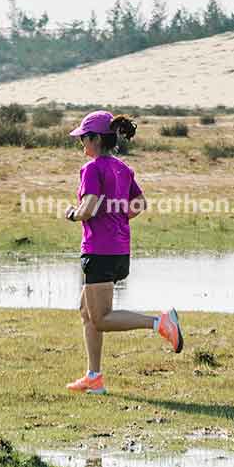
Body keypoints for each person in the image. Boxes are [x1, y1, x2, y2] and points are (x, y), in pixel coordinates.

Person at [62, 110, 182, 394]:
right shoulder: (122, 168)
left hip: (99, 250)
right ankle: (93, 377)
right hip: (118, 250)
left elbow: (89, 207)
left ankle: (160, 323)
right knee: (87, 312)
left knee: (101, 318)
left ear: (95, 139)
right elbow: (139, 204)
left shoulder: (92, 168)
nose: (81, 143)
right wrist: (117, 217)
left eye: (83, 138)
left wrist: (72, 214)